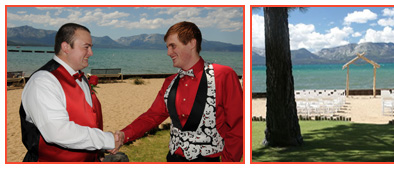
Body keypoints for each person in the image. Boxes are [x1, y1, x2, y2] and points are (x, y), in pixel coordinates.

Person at [115, 21, 244, 162]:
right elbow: (152, 116)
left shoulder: (223, 75)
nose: (168, 52)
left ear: (191, 43)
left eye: (172, 46)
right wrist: (124, 134)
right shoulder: (170, 82)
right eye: (167, 47)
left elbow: (238, 126)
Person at [19, 23, 124, 162]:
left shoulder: (81, 77)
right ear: (66, 47)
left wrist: (99, 149)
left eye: (91, 47)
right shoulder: (43, 82)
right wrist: (107, 139)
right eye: (86, 47)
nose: (91, 53)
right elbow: (57, 131)